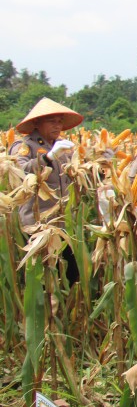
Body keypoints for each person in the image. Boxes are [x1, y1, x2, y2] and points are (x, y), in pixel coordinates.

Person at [10, 97, 84, 284]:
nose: (57, 126)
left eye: (60, 121)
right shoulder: (25, 146)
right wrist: (48, 158)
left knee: (70, 276)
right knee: (41, 279)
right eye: (52, 121)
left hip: (61, 224)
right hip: (37, 225)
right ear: (37, 123)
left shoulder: (62, 146)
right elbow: (20, 171)